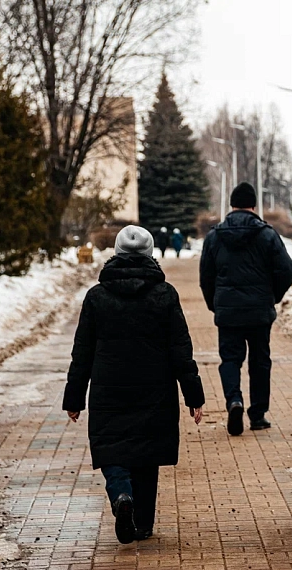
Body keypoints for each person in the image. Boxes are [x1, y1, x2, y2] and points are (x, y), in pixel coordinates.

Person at [64, 225, 205, 544]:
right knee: (147, 453)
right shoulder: (165, 294)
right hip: (155, 389)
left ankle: (121, 495)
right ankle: (142, 524)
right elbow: (181, 349)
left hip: (107, 388)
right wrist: (193, 395)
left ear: (116, 253)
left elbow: (82, 352)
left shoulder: (96, 297)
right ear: (149, 253)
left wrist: (74, 397)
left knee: (112, 450)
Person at [199, 182, 292, 435]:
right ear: (254, 205)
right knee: (260, 361)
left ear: (232, 205)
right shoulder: (267, 234)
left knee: (230, 359)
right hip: (259, 310)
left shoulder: (215, 236)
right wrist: (271, 296)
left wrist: (215, 303)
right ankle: (258, 414)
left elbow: (205, 276)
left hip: (228, 311)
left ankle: (234, 400)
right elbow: (286, 270)